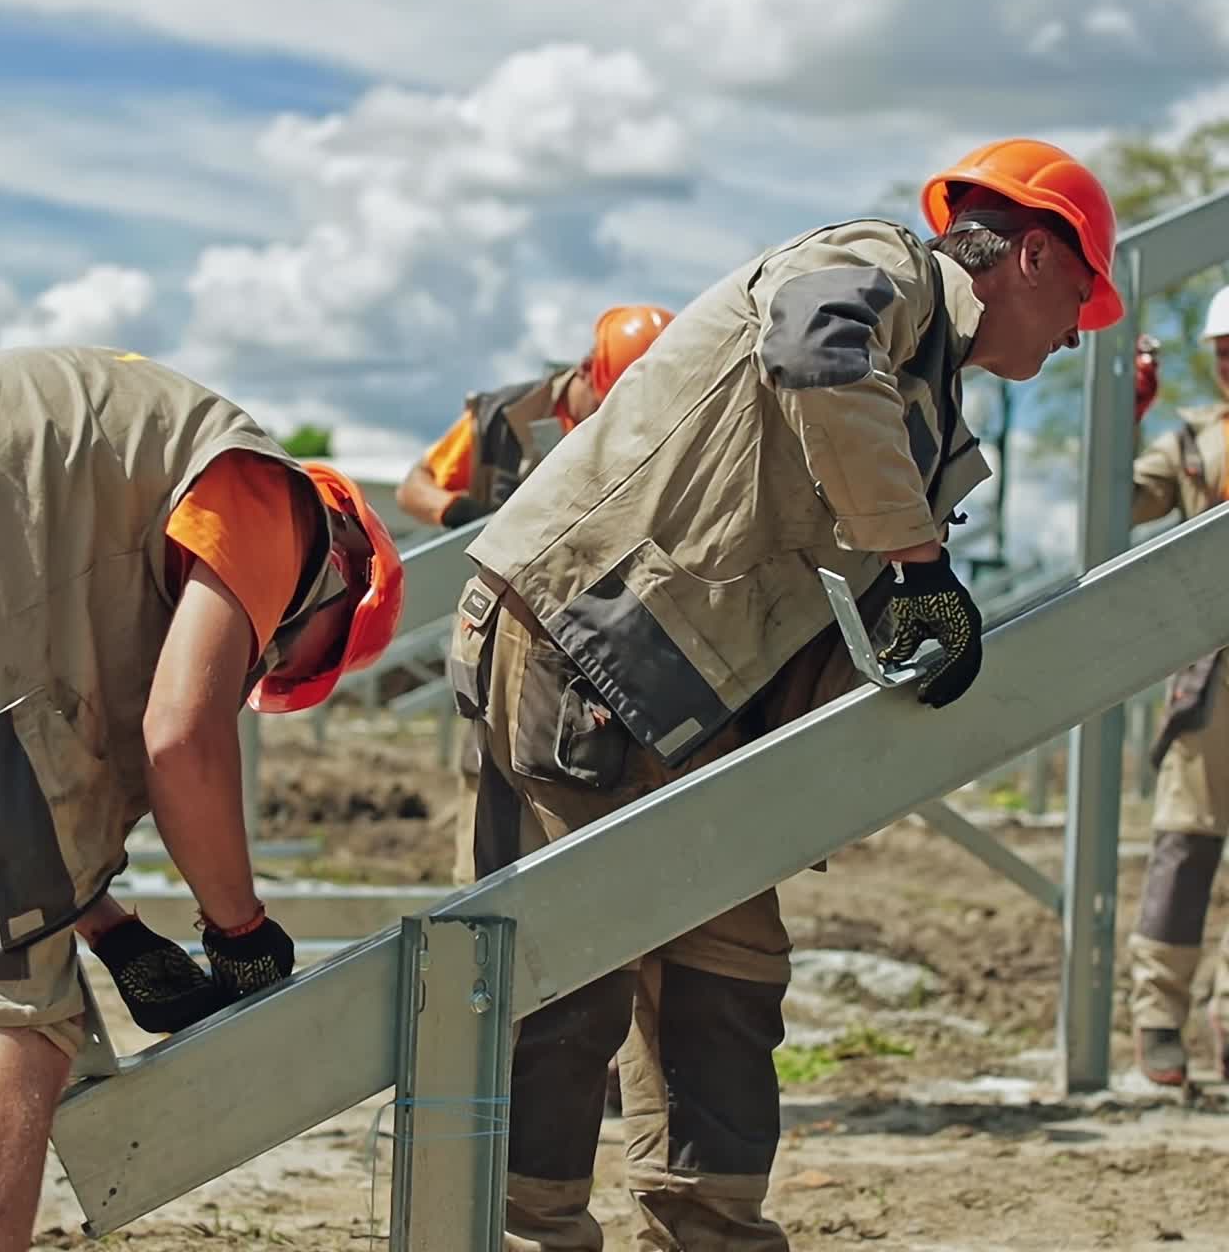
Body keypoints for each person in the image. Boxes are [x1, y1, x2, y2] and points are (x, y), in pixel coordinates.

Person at [448, 138, 1122, 1249]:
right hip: (588, 638)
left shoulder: (933, 391)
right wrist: (916, 564)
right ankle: (524, 1225)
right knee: (569, 962)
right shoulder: (880, 268)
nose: (1069, 336)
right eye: (1077, 305)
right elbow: (814, 349)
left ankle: (706, 1224)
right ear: (1036, 254)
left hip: (689, 685)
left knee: (728, 966)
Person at [0, 345, 403, 1252]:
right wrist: (241, 934)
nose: (259, 669)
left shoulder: (118, 492)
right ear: (341, 585)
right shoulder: (280, 504)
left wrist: (111, 930)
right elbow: (181, 737)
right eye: (286, 658)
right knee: (10, 1019)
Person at [396, 305, 673, 885]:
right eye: (608, 401)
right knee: (487, 814)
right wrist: (460, 512)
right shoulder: (504, 417)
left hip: (594, 657)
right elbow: (413, 487)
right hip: (498, 640)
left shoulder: (656, 423)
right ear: (586, 373)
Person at [1129, 288, 1229, 1086]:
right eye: (1223, 351)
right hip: (1213, 673)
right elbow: (1121, 501)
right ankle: (1160, 1015)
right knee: (1186, 843)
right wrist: (1122, 418)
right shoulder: (1194, 444)